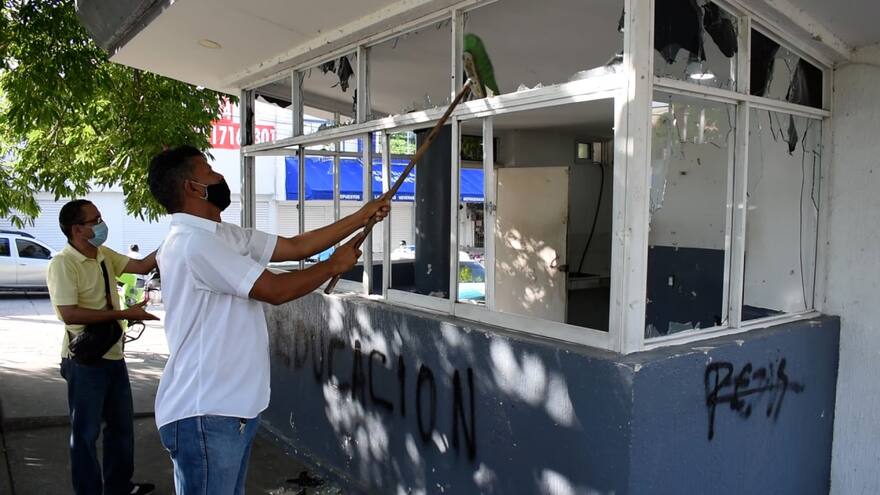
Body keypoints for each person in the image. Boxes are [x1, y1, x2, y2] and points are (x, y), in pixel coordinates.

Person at [146, 145, 389, 495]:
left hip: (229, 411)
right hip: (206, 412)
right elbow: (274, 290)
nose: (219, 176)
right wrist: (331, 266)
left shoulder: (222, 236)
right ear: (192, 187)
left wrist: (363, 216)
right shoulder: (193, 244)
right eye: (208, 171)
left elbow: (297, 246)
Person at [46, 199, 158, 495]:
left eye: (100, 218)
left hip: (113, 355)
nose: (101, 225)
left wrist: (178, 236)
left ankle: (119, 487)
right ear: (77, 229)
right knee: (85, 434)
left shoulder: (103, 255)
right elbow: (69, 313)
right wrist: (123, 314)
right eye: (95, 221)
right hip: (85, 360)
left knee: (121, 428)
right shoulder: (63, 264)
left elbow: (143, 265)